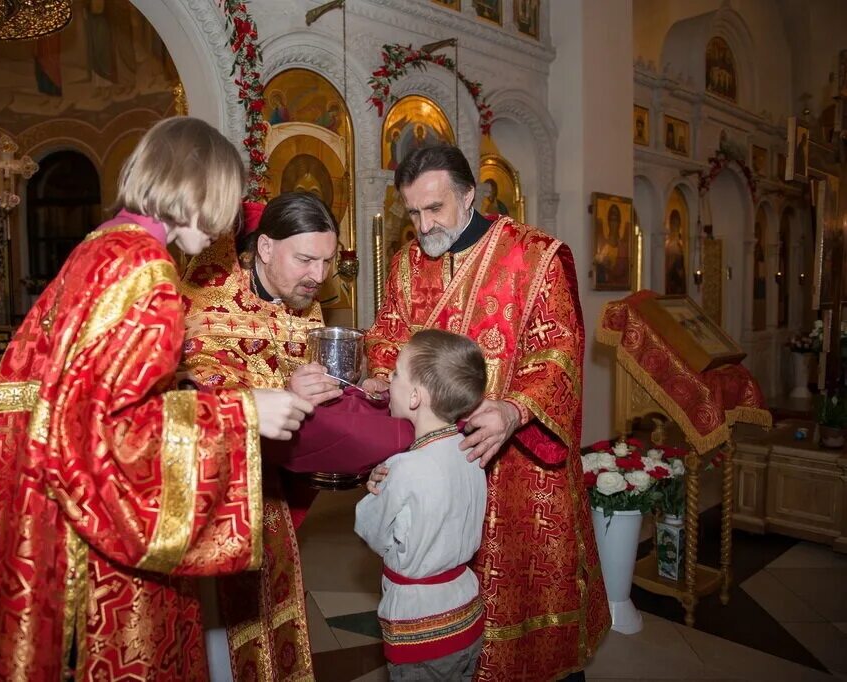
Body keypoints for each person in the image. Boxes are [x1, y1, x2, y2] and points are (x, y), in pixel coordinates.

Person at [0, 117, 314, 682]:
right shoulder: (146, 272)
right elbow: (113, 430)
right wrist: (246, 412)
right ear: (198, 188)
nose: (229, 223)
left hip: (52, 511)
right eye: (229, 200)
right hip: (102, 545)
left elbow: (77, 397)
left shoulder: (102, 248)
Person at [362, 145, 608, 681]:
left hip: (518, 468)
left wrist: (516, 410)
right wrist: (382, 374)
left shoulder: (534, 256)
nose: (423, 226)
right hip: (435, 463)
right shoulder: (408, 264)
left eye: (435, 208)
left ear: (470, 194)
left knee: (527, 603)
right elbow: (387, 332)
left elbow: (559, 351)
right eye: (413, 212)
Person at [178, 191, 343, 680]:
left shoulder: (307, 309)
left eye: (327, 261)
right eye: (306, 259)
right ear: (266, 248)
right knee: (221, 640)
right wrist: (283, 390)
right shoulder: (209, 297)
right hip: (213, 500)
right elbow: (197, 390)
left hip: (269, 500)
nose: (317, 275)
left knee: (274, 618)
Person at [356, 329, 488, 681]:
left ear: (415, 396)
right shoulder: (472, 453)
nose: (390, 380)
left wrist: (375, 492)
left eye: (396, 373)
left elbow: (370, 530)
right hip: (466, 610)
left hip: (419, 624)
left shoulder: (404, 467)